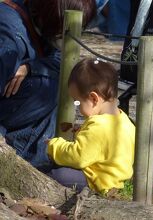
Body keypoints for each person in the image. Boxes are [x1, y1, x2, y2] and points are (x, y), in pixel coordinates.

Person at [0, 0, 96, 169]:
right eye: (61, 32)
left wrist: (32, 67)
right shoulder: (8, 32)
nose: (62, 37)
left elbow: (64, 60)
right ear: (51, 15)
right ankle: (29, 163)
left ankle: (40, 161)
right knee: (48, 87)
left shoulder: (40, 22)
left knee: (56, 77)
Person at [47, 58, 135, 193]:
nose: (77, 108)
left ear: (94, 99)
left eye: (77, 102)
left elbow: (78, 157)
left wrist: (55, 146)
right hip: (114, 179)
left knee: (58, 174)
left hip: (98, 181)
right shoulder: (124, 120)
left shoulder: (99, 127)